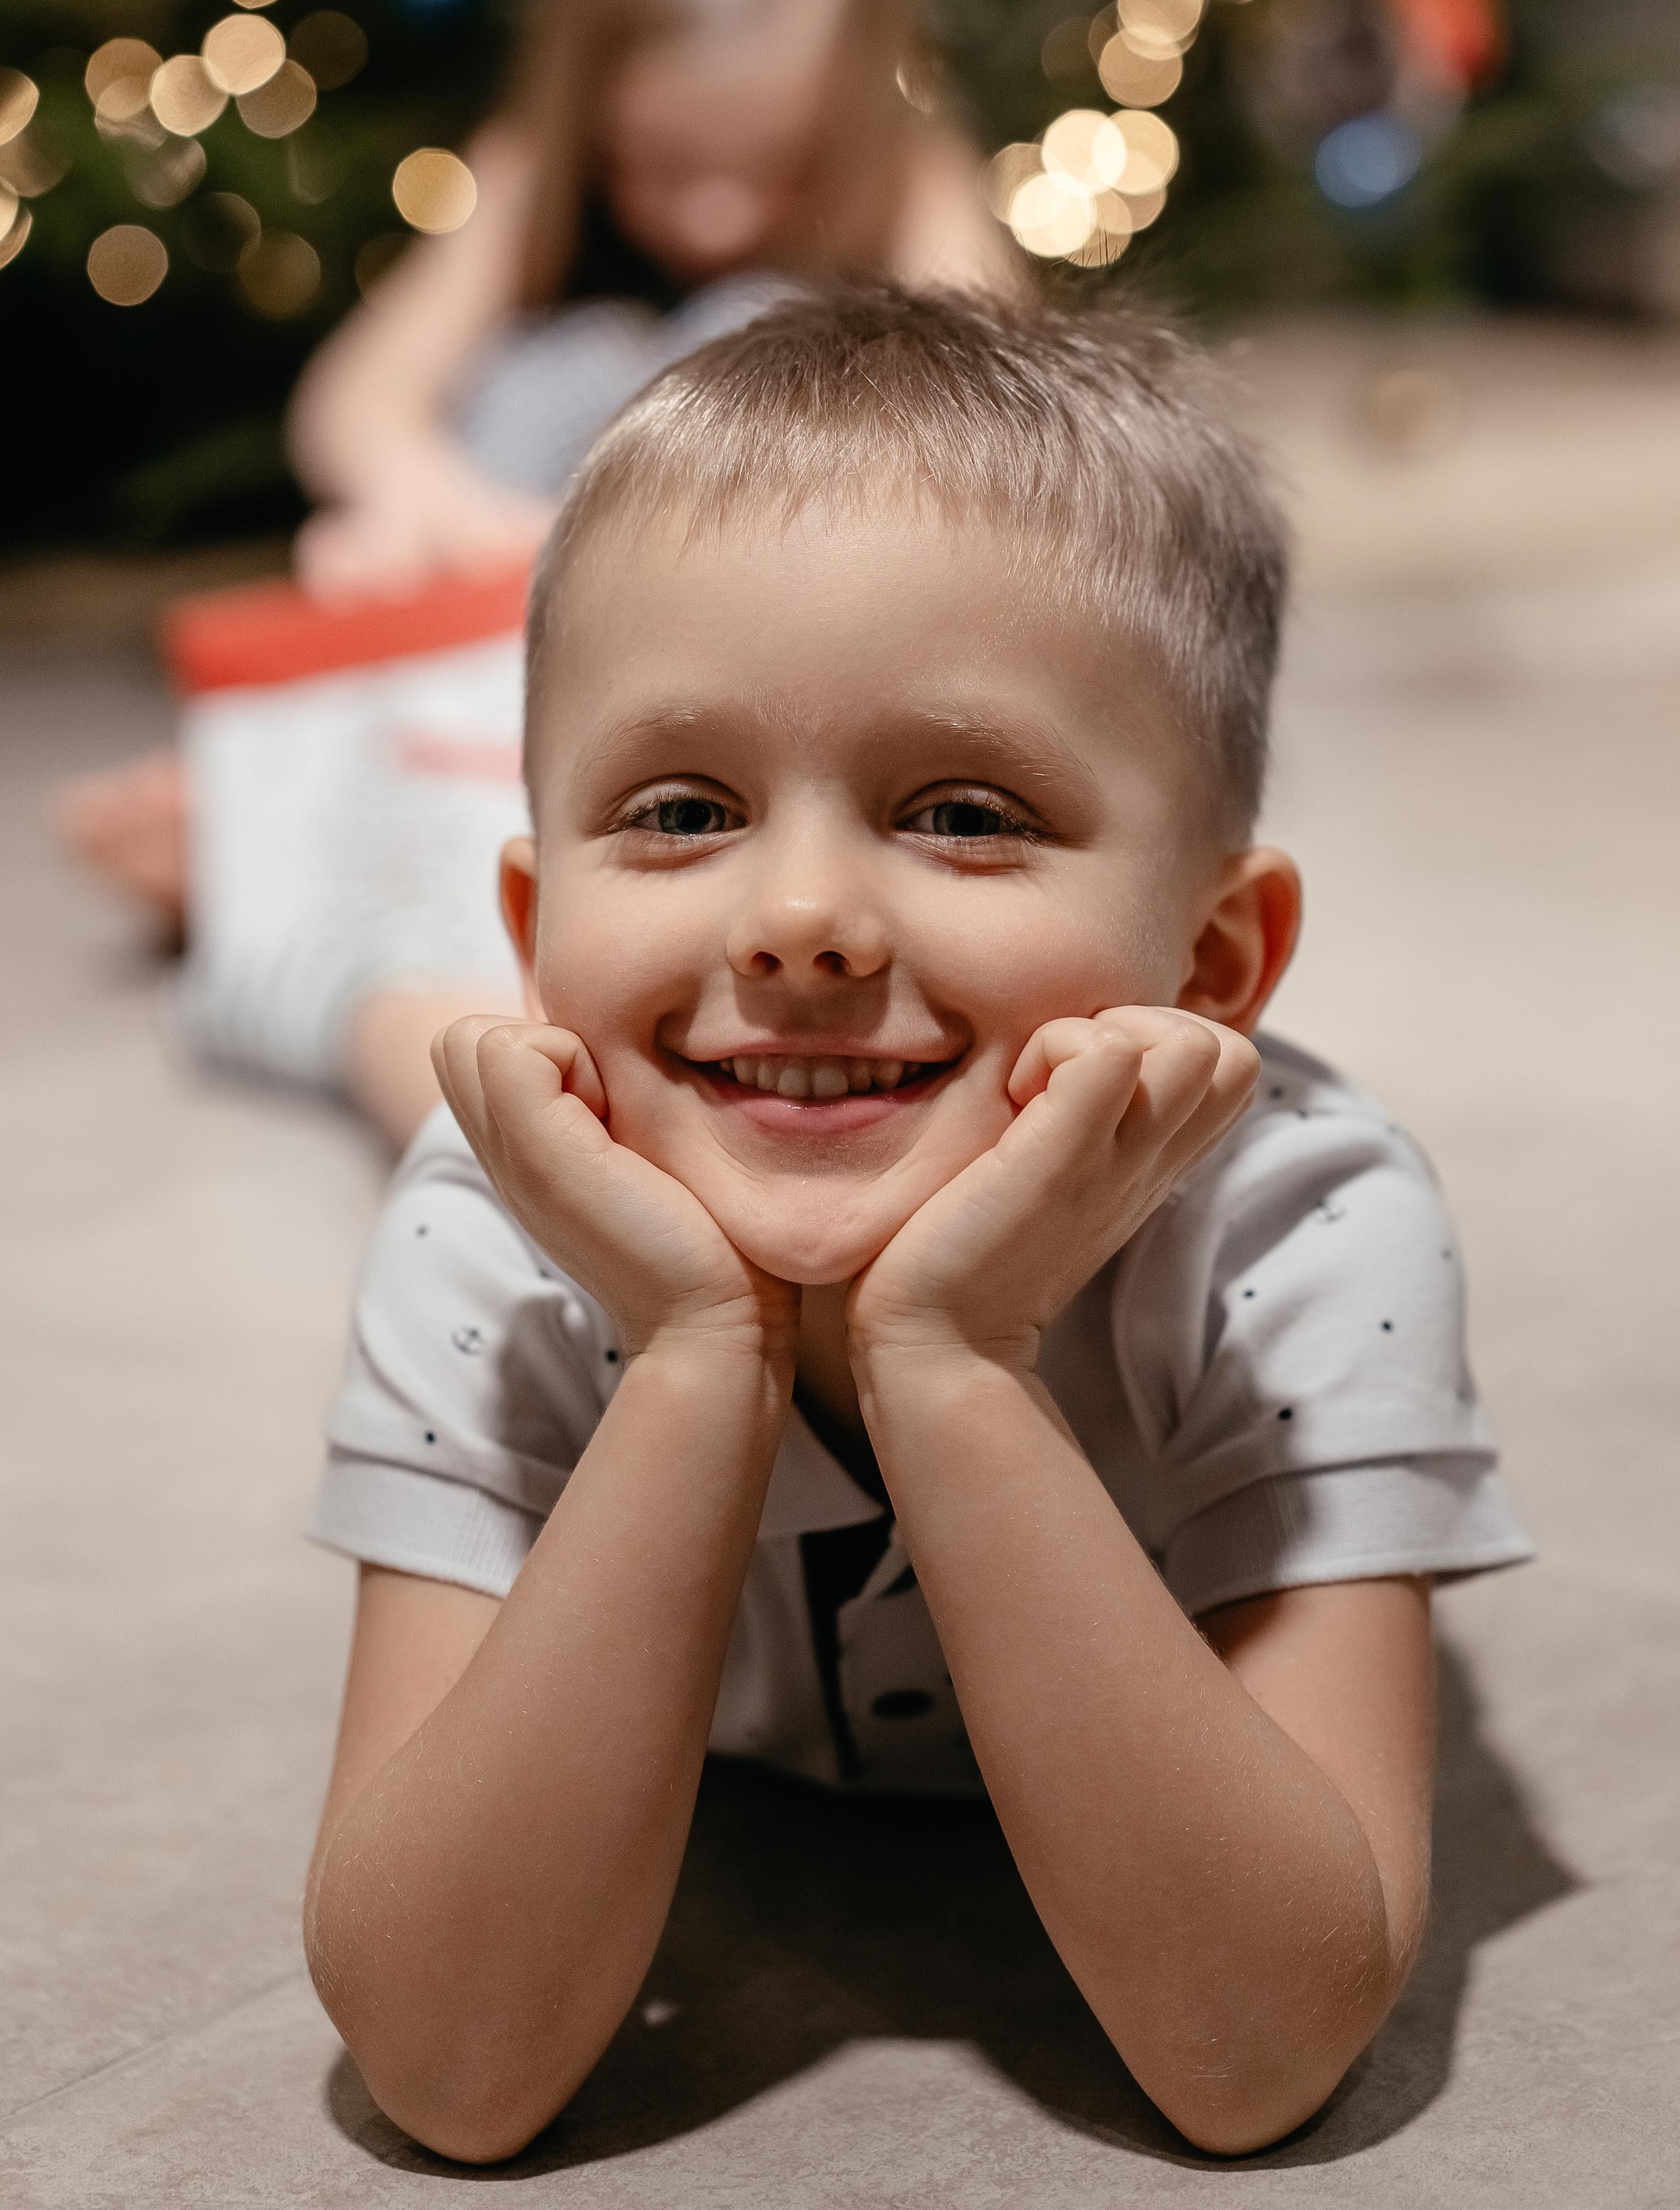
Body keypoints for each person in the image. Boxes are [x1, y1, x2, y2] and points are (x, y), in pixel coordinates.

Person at [301, 286, 1533, 2163]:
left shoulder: (1307, 1229)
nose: (802, 919)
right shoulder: (494, 1224)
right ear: (539, 928)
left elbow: (1259, 2056)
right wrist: (700, 1360)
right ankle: (285, 949)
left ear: (1213, 965)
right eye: (684, 806)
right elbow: (451, 2075)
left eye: (962, 812)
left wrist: (956, 1365)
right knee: (348, 1016)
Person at [58, 0, 1014, 1147]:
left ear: (855, 102)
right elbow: (356, 406)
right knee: (422, 527)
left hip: (772, 681)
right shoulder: (526, 177)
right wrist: (432, 510)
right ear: (589, 97)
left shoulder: (916, 181)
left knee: (778, 344)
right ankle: (289, 850)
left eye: (771, 168)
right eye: (659, 163)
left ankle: (296, 870)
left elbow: (996, 430)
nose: (712, 211)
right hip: (501, 664)